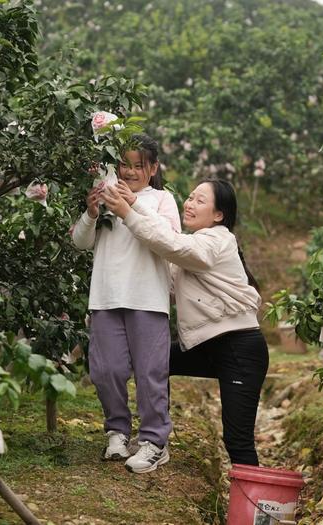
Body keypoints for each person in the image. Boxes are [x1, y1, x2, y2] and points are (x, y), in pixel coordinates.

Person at [102, 178, 269, 466]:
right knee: (155, 361)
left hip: (239, 350)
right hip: (207, 346)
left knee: (237, 441)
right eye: (189, 198)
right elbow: (167, 247)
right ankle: (155, 441)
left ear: (219, 215)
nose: (189, 204)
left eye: (199, 200)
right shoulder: (191, 248)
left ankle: (255, 508)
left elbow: (171, 244)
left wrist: (129, 213)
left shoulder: (218, 239)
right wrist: (134, 203)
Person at [71, 135, 181, 473]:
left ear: (153, 168)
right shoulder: (105, 196)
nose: (130, 171)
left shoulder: (162, 200)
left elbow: (170, 240)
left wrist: (131, 204)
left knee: (151, 373)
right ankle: (117, 431)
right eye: (124, 164)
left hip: (147, 298)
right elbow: (80, 242)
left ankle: (153, 441)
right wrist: (91, 213)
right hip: (106, 296)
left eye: (138, 165)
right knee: (107, 370)